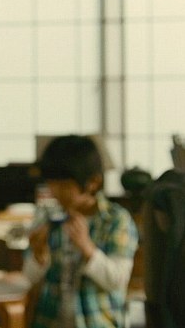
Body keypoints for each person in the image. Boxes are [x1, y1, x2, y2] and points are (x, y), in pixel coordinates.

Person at [23, 135, 139, 328]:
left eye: (64, 185)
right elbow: (28, 277)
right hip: (49, 322)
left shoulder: (116, 220)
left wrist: (87, 247)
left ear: (93, 182)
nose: (55, 192)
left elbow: (117, 280)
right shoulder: (48, 218)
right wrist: (38, 254)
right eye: (51, 183)